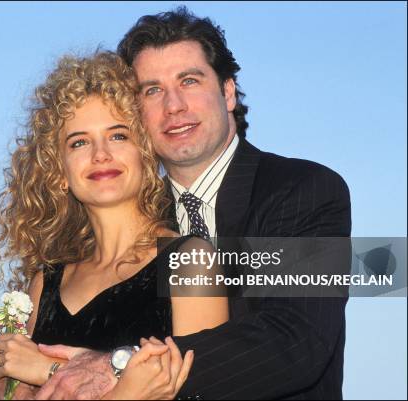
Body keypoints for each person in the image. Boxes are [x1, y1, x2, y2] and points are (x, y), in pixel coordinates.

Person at [33, 6, 352, 400]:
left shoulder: (303, 190)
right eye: (152, 90)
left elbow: (295, 340)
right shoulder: (131, 219)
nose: (174, 106)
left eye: (189, 80)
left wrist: (121, 366)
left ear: (228, 91)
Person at [0, 51, 229, 400]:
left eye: (117, 136)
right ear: (59, 172)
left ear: (144, 154)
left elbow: (206, 390)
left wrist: (47, 370)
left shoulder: (190, 262)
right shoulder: (45, 284)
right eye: (79, 142)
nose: (100, 154)